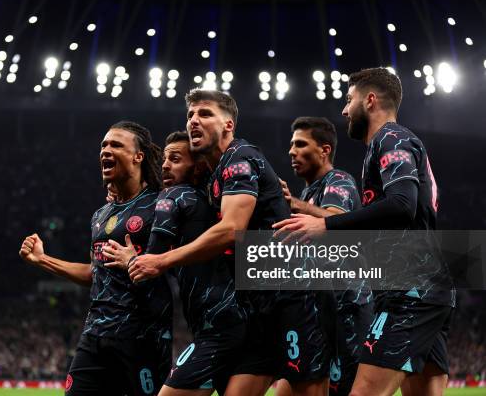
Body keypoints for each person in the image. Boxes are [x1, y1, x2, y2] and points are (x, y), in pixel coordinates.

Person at [127, 89, 329, 396]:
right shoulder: (215, 175)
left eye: (205, 114)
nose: (194, 120)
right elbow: (178, 187)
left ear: (228, 125)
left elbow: (230, 229)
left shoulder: (239, 159)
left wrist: (160, 260)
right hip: (259, 308)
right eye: (190, 114)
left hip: (297, 298)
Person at [275, 68, 455, 396]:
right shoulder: (389, 143)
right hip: (425, 284)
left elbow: (403, 203)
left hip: (410, 289)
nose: (345, 110)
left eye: (349, 100)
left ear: (370, 100)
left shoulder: (390, 137)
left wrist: (325, 224)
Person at [19, 121, 172, 396]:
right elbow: (94, 273)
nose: (105, 151)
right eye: (103, 145)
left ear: (138, 156)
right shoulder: (100, 216)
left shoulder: (162, 204)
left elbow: (188, 256)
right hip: (95, 336)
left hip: (141, 339)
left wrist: (136, 262)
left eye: (115, 145)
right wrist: (43, 260)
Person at [103, 130, 248, 396]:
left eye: (176, 159)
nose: (166, 165)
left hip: (217, 327)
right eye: (165, 160)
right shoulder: (209, 199)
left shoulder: (173, 198)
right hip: (234, 318)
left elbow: (149, 263)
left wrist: (130, 259)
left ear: (198, 166)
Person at [277, 116, 373, 396]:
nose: (291, 151)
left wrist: (293, 204)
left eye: (300, 144)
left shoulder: (338, 181)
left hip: (347, 308)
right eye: (291, 145)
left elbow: (338, 219)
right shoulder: (310, 192)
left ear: (324, 150)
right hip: (320, 309)